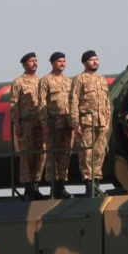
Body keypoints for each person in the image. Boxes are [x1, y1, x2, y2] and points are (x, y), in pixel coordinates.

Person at [69, 50, 111, 197]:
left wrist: (107, 122)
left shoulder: (102, 80)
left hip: (101, 123)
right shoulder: (79, 79)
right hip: (86, 123)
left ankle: (96, 184)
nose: (95, 62)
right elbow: (73, 101)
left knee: (99, 154)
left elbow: (106, 103)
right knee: (86, 154)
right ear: (85, 62)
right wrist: (75, 122)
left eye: (97, 59)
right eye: (92, 60)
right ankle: (89, 186)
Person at [10, 52, 46, 200]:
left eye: (36, 60)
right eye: (31, 61)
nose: (34, 63)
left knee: (40, 155)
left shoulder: (42, 82)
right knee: (27, 156)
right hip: (26, 125)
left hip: (40, 124)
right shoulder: (18, 82)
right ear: (24, 64)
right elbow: (13, 105)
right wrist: (17, 124)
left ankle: (35, 186)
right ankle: (27, 189)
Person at [39, 51, 73, 199]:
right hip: (53, 125)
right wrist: (45, 124)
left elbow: (73, 102)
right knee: (52, 157)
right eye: (59, 61)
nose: (62, 64)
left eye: (64, 61)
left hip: (67, 125)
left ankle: (62, 187)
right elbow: (42, 104)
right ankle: (53, 188)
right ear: (52, 63)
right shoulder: (45, 81)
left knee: (65, 156)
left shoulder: (69, 81)